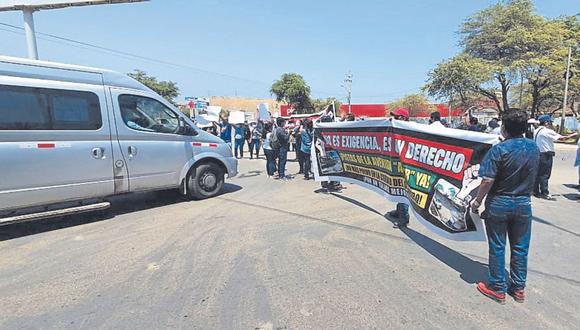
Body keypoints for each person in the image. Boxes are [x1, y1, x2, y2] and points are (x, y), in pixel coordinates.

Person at [471, 109, 539, 304]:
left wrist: (477, 202)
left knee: (498, 246)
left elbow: (487, 181)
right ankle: (518, 288)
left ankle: (497, 288)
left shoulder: (499, 150)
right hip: (524, 203)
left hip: (499, 203)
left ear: (504, 127)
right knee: (520, 247)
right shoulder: (533, 148)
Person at [533, 114, 579, 200]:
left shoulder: (537, 130)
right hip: (546, 154)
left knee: (538, 173)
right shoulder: (547, 131)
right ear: (546, 122)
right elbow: (561, 138)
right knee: (545, 175)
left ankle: (535, 191)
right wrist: (572, 135)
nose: (551, 124)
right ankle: (545, 193)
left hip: (538, 153)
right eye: (550, 122)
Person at [386, 108, 411, 229]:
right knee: (397, 186)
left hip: (405, 164)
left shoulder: (409, 130)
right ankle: (399, 211)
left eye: (397, 117)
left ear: (403, 118)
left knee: (403, 189)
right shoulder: (396, 128)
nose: (394, 119)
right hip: (397, 162)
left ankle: (403, 218)